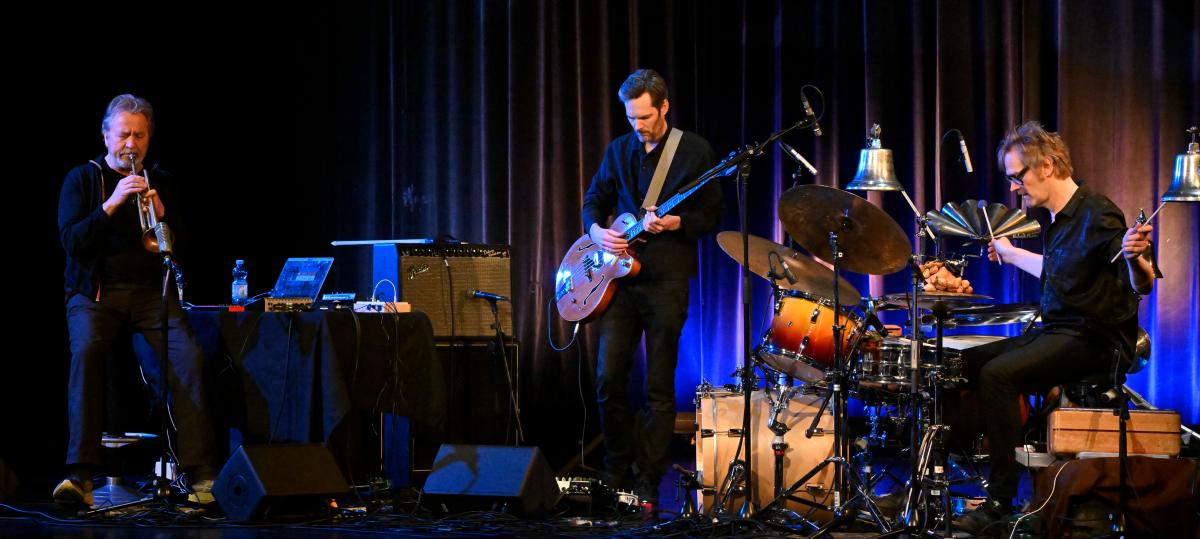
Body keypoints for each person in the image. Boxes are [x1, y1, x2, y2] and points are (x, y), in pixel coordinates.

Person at [953, 121, 1160, 534]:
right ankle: (976, 471)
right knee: (965, 363)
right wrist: (1012, 255)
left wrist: (1137, 257)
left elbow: (1143, 283)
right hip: (1059, 332)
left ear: (1046, 166)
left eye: (1019, 177)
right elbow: (1062, 272)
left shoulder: (1097, 212)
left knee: (999, 375)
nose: (1014, 187)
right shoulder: (1059, 219)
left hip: (1095, 339)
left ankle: (1000, 501)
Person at [55, 94, 217, 506]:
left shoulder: (159, 179)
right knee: (88, 352)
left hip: (149, 296)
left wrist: (161, 213)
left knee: (188, 360)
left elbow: (179, 247)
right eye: (124, 134)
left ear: (149, 139)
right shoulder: (83, 178)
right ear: (106, 135)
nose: (131, 143)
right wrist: (111, 204)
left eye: (139, 135)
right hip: (95, 295)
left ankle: (200, 475)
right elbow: (71, 241)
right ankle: (80, 477)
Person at [582, 69, 724, 507]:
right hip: (618, 282)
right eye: (631, 118)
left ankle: (648, 477)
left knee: (659, 388)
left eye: (645, 116)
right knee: (608, 378)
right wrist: (595, 232)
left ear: (664, 107)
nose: (637, 125)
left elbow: (712, 215)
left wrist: (677, 221)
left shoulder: (695, 151)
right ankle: (616, 469)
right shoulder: (619, 149)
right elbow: (594, 200)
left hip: (666, 279)